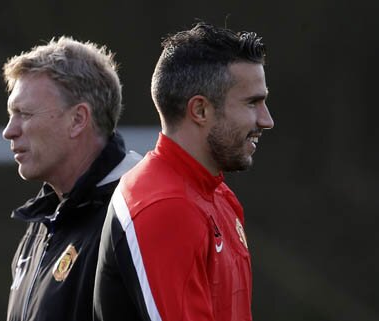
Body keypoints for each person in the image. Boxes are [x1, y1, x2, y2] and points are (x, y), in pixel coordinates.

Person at [93, 22, 274, 321]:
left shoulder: (216, 194)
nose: (267, 120)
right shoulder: (164, 206)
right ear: (200, 110)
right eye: (252, 103)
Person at [2, 36, 141, 321]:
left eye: (24, 114)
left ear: (78, 120)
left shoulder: (135, 216)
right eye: (10, 115)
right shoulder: (43, 224)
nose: (9, 131)